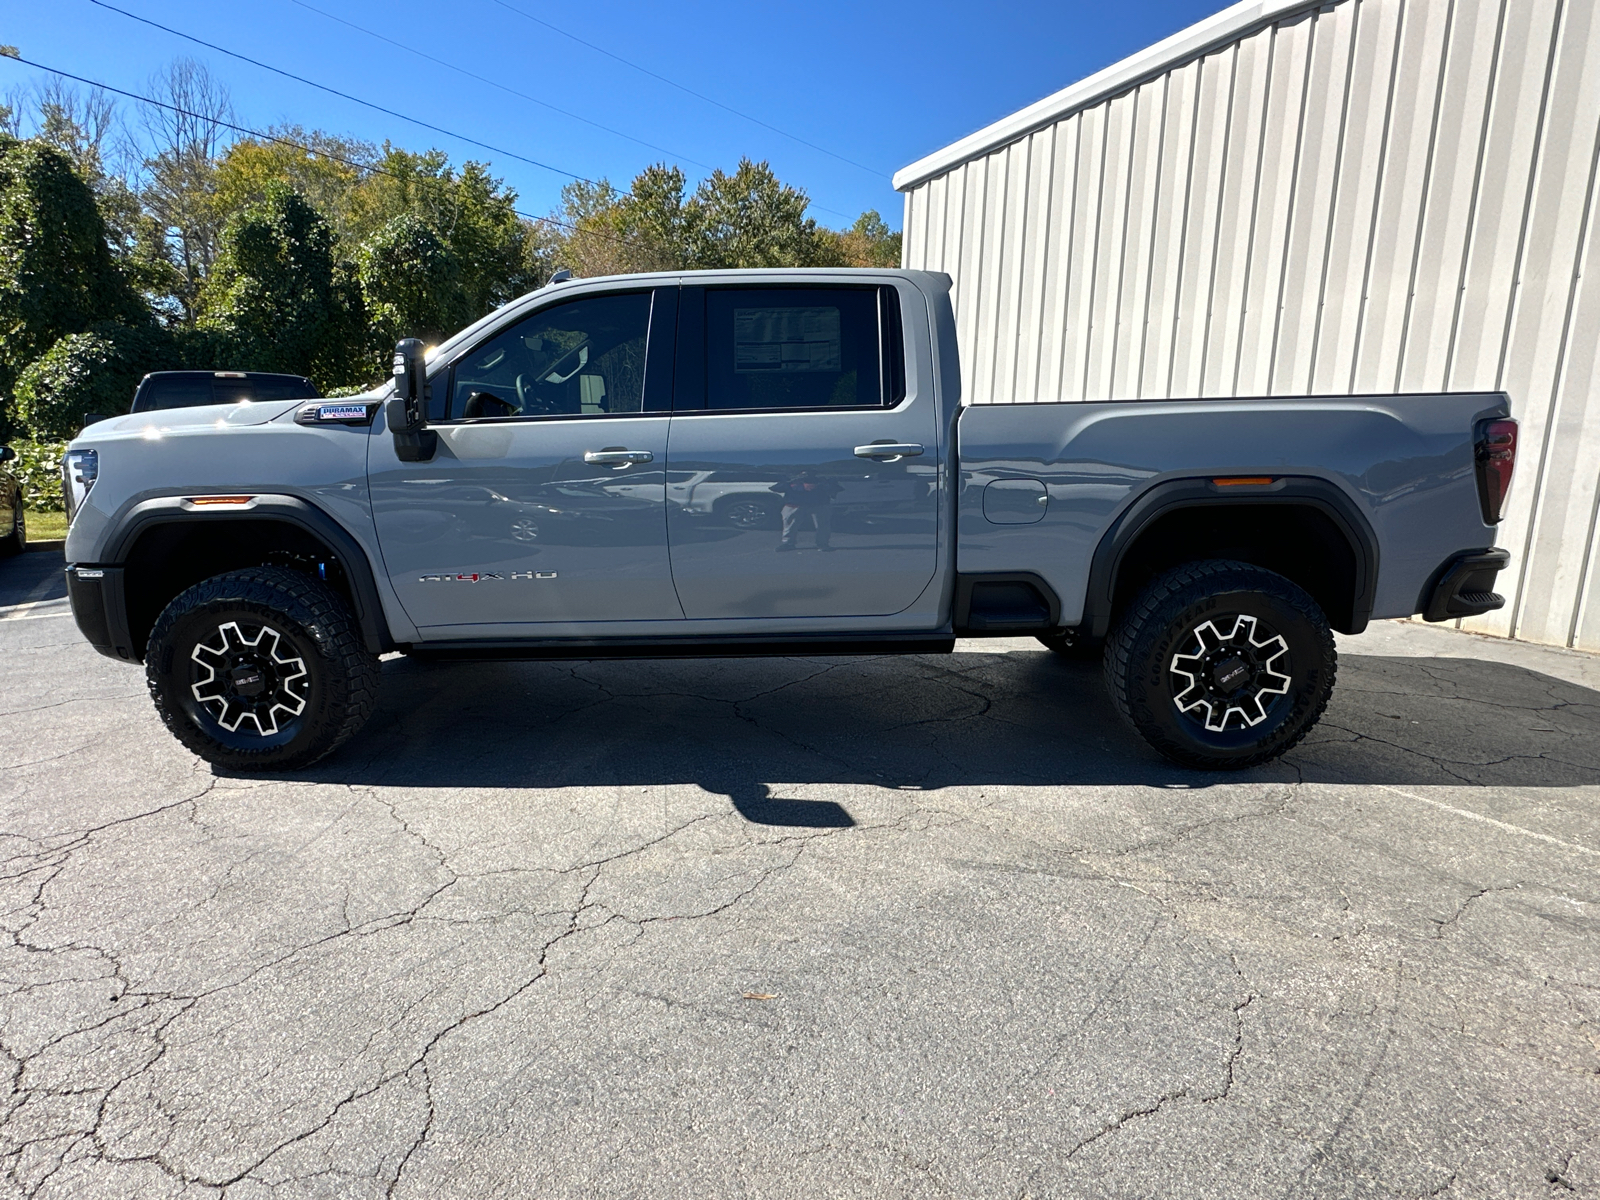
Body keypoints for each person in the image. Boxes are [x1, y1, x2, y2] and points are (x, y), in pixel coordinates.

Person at [772, 469, 841, 551]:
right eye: (804, 474)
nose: (807, 476)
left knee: (823, 525)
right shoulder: (792, 481)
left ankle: (823, 544)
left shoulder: (823, 481)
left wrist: (820, 485)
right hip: (795, 505)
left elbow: (836, 489)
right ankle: (788, 543)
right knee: (789, 525)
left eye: (810, 474)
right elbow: (776, 488)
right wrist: (793, 482)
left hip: (819, 504)